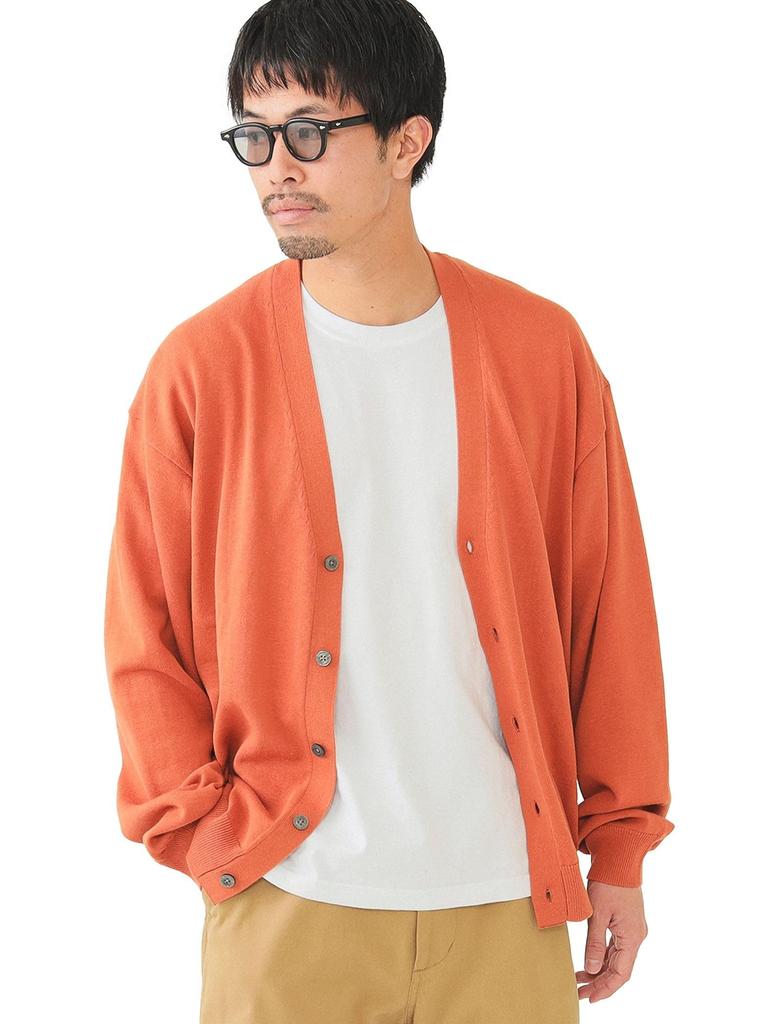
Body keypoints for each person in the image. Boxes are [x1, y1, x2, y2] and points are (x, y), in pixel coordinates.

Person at [103, 1, 675, 1021]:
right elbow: (143, 635)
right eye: (254, 136)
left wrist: (620, 849)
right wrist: (207, 831)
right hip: (288, 896)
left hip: (508, 897)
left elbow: (608, 611)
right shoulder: (202, 369)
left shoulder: (542, 351)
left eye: (310, 131)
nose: (277, 167)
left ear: (408, 142)